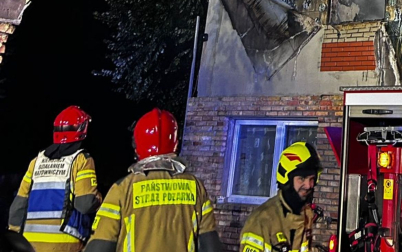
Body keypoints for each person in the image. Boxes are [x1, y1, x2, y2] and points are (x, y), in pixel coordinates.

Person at [84, 109, 222, 252]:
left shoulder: (122, 189)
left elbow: (99, 246)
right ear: (175, 144)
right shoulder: (196, 187)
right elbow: (211, 246)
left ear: (137, 147)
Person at [8, 106, 101, 252]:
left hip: (30, 245)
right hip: (66, 244)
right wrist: (100, 198)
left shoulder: (36, 161)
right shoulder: (82, 160)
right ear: (82, 129)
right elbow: (85, 204)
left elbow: (18, 207)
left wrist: (15, 240)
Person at [239, 142, 322, 252]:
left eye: (312, 179)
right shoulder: (261, 221)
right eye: (301, 178)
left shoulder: (307, 215)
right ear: (286, 179)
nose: (308, 185)